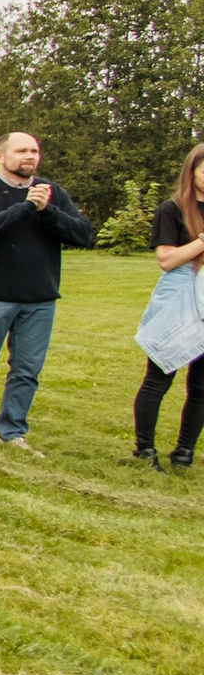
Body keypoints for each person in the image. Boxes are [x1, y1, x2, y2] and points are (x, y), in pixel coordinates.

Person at [0, 132, 93, 450]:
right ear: (0, 156)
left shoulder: (51, 193)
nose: (30, 156)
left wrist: (47, 210)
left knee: (27, 369)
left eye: (34, 150)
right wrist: (26, 207)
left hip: (39, 297)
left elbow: (83, 234)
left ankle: (12, 432)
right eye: (21, 150)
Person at [132, 142, 204, 469]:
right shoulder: (172, 209)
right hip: (178, 301)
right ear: (192, 171)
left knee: (201, 387)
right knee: (159, 378)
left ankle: (184, 453)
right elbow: (166, 259)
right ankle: (145, 450)